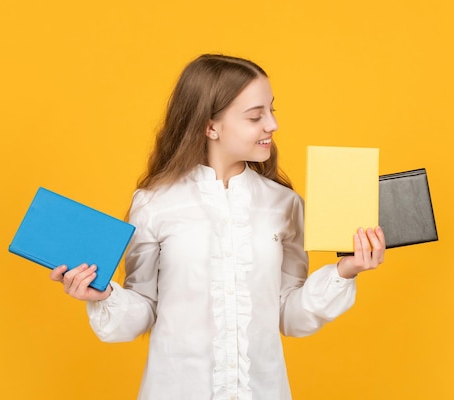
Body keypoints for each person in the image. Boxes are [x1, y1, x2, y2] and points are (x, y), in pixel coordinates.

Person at [50, 54, 386, 400]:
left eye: (272, 111)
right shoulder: (154, 203)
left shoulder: (285, 205)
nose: (272, 125)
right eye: (256, 116)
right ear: (210, 126)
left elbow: (289, 315)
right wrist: (103, 295)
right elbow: (143, 309)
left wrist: (344, 272)